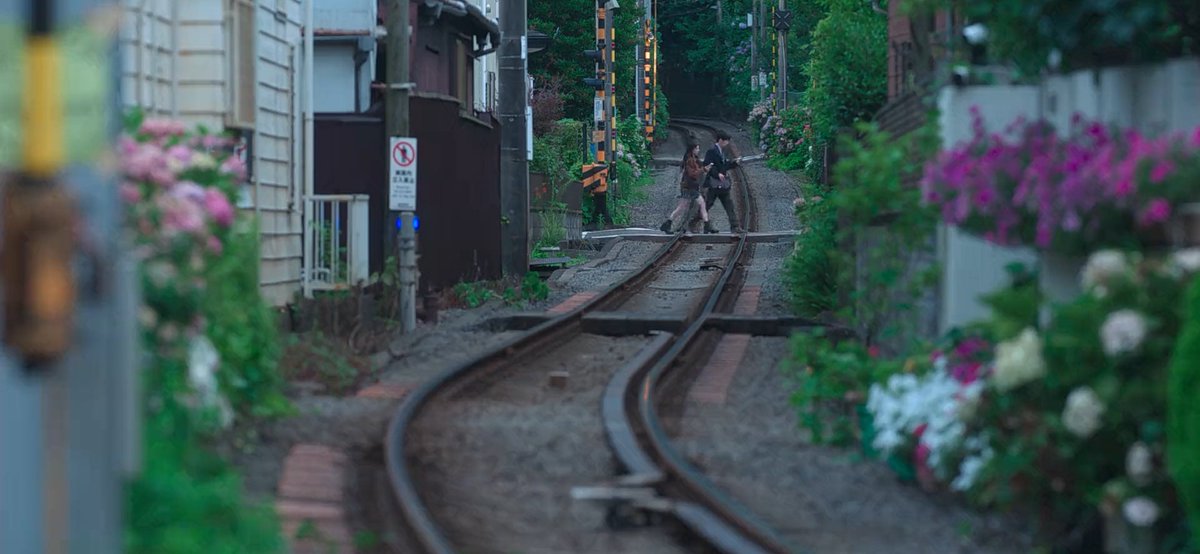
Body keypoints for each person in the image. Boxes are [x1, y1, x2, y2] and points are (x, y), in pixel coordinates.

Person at [659, 142, 712, 234]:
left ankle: (667, 224)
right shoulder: (690, 160)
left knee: (683, 207)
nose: (699, 150)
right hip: (689, 187)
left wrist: (704, 168)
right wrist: (703, 170)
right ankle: (707, 225)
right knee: (700, 204)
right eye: (697, 148)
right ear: (693, 149)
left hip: (689, 187)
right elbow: (692, 174)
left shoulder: (693, 159)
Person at [701, 130, 742, 234]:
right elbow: (708, 165)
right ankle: (691, 224)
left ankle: (735, 226)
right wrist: (717, 174)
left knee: (729, 205)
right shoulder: (712, 151)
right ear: (720, 140)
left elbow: (724, 166)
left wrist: (734, 163)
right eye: (726, 141)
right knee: (706, 205)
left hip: (722, 185)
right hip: (713, 184)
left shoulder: (721, 151)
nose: (727, 143)